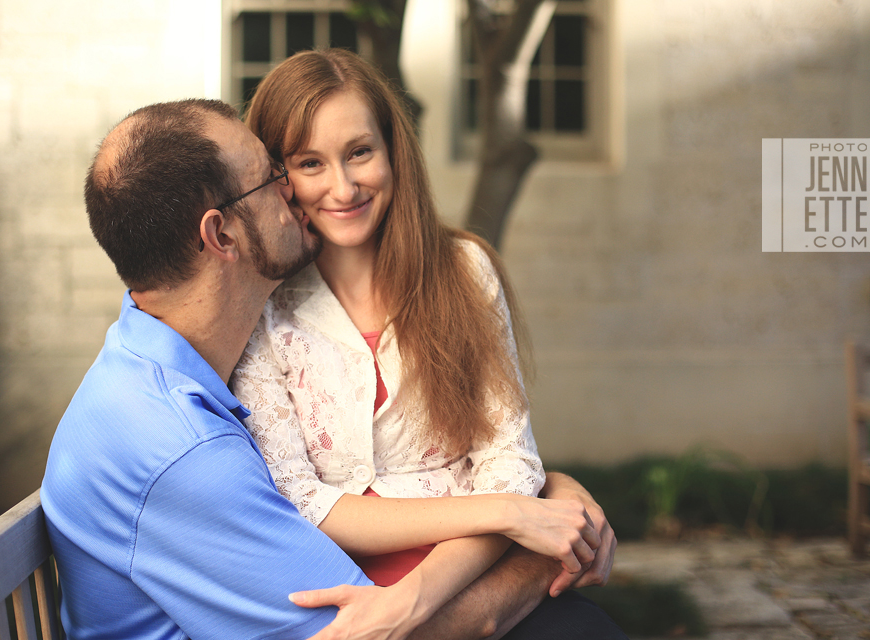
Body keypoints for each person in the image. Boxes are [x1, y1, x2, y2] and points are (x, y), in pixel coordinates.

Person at [40, 97, 621, 640]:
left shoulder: (154, 371)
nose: (299, 194)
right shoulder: (180, 449)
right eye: (275, 177)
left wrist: (544, 491)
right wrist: (535, 536)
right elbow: (378, 631)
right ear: (221, 234)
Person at [231, 49, 625, 638]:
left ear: (393, 150)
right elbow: (296, 497)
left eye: (359, 152)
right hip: (342, 600)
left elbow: (509, 461)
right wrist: (513, 512)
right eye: (310, 163)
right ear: (279, 177)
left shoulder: (465, 271)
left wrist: (416, 598)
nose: (343, 187)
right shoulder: (259, 306)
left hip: (471, 576)